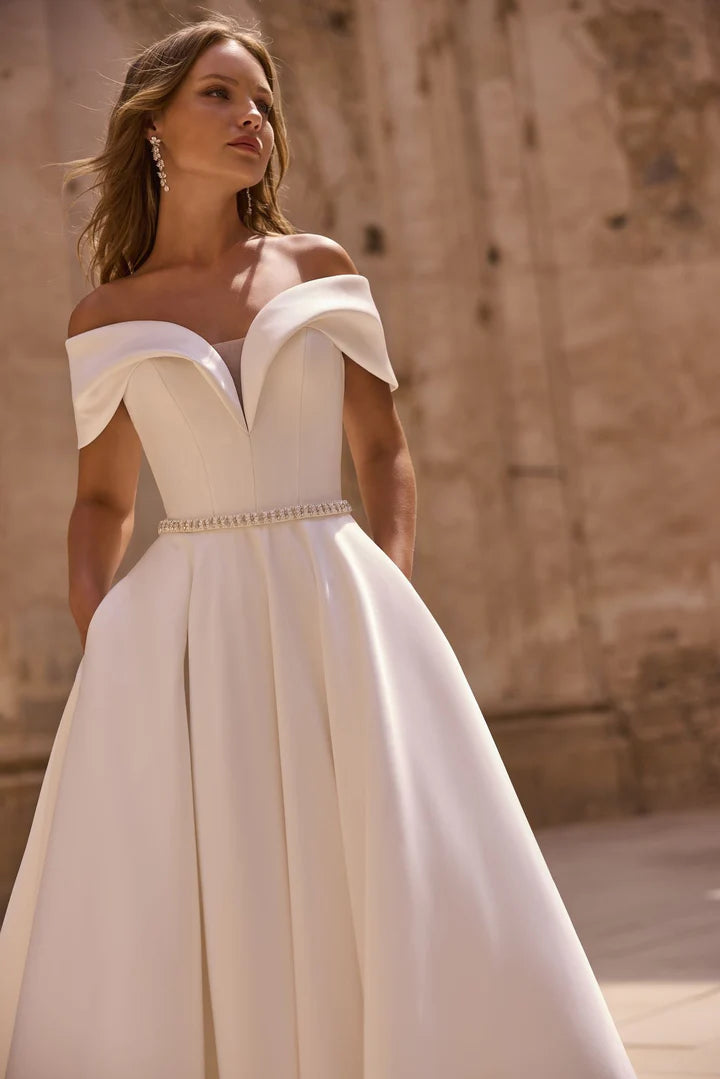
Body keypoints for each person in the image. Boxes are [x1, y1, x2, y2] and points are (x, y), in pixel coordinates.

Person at [0, 13, 639, 1079]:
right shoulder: (104, 316)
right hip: (183, 628)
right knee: (221, 870)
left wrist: (387, 587)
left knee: (376, 863)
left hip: (339, 599)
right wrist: (101, 627)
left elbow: (384, 447)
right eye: (219, 94)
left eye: (261, 102)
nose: (251, 117)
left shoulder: (319, 265)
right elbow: (102, 501)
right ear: (151, 123)